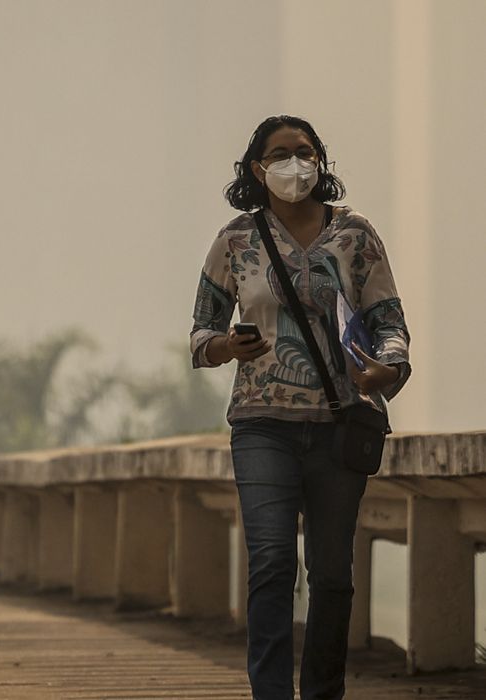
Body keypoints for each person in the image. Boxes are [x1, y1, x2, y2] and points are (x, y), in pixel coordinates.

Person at [190, 115, 411, 699]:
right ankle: (270, 692)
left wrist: (389, 367)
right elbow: (200, 333)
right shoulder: (235, 240)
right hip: (262, 423)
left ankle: (321, 692)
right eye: (281, 154)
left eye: (305, 151)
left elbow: (390, 323)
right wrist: (225, 346)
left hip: (340, 425)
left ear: (321, 161)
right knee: (270, 563)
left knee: (333, 575)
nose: (295, 164)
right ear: (257, 169)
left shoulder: (355, 235)